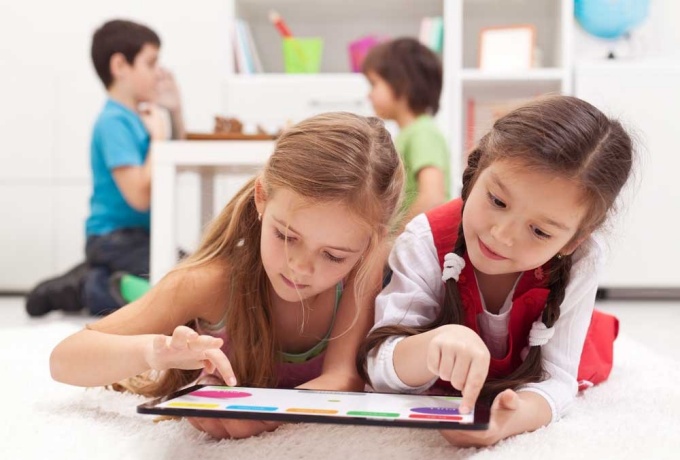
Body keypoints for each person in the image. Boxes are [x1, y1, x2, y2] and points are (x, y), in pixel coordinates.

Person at [50, 112, 405, 440]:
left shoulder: (364, 269)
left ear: (369, 243)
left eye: (332, 255)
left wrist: (264, 415)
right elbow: (64, 359)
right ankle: (95, 283)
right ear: (261, 197)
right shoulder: (209, 282)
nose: (300, 267)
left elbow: (344, 378)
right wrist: (155, 352)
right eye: (286, 236)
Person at [356, 95, 634, 447]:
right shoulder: (425, 240)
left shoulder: (585, 258)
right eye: (497, 201)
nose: (501, 236)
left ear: (573, 241)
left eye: (540, 231)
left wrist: (508, 420)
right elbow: (378, 365)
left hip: (542, 348)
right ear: (475, 172)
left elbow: (557, 379)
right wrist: (431, 348)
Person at [25, 19, 185, 317]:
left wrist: (174, 111)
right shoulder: (113, 122)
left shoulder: (139, 118)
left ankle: (99, 275)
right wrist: (158, 139)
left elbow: (173, 161)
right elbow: (139, 195)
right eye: (150, 64)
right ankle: (89, 285)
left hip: (139, 236)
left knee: (194, 276)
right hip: (115, 238)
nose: (158, 73)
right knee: (180, 289)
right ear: (120, 66)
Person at [363, 37, 450, 229]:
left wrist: (392, 239)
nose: (369, 94)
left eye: (374, 84)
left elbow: (433, 196)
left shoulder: (423, 133)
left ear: (401, 83)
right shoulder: (409, 134)